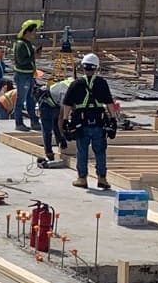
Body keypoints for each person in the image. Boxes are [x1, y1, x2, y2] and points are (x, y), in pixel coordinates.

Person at [60, 53, 120, 189]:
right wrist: (113, 119)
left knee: (82, 150)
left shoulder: (76, 84)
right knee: (100, 151)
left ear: (83, 67)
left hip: (81, 123)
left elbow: (67, 104)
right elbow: (109, 103)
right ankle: (102, 178)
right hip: (99, 122)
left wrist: (65, 120)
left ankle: (82, 179)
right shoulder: (101, 83)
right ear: (96, 68)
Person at [12, 19, 42, 132]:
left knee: (31, 100)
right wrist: (34, 56)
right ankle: (19, 123)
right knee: (21, 100)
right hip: (22, 76)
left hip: (29, 75)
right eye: (34, 31)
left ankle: (34, 122)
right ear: (27, 32)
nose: (35, 33)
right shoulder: (20, 44)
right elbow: (20, 61)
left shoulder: (27, 44)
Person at [37, 70, 71, 162]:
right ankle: (49, 152)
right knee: (47, 129)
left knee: (56, 125)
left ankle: (61, 144)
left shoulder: (74, 84)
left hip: (55, 101)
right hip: (46, 103)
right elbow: (61, 118)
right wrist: (63, 135)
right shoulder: (67, 94)